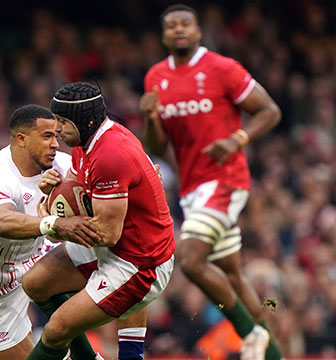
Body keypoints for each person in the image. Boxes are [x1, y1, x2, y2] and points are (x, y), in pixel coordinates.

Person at [141, 4, 283, 360]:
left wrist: (238, 140)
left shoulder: (222, 68)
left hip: (225, 180)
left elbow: (270, 110)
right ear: (163, 35)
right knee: (231, 277)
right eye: (171, 25)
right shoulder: (155, 77)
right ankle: (275, 354)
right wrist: (150, 118)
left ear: (198, 30)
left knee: (190, 261)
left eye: (185, 23)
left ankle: (250, 333)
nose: (179, 30)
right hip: (192, 188)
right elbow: (158, 146)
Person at [22, 82, 175, 360]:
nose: (57, 129)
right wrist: (53, 195)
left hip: (140, 261)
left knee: (56, 329)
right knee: (35, 284)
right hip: (121, 244)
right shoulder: (86, 142)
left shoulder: (110, 155)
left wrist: (58, 225)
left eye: (62, 122)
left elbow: (107, 234)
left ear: (84, 121)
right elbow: (74, 187)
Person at [0, 104, 105, 360]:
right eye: (46, 136)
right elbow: (2, 222)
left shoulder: (62, 165)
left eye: (56, 136)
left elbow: (106, 170)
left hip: (40, 255)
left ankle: (113, 353)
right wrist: (55, 223)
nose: (55, 143)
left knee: (121, 264)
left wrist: (144, 172)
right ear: (21, 139)